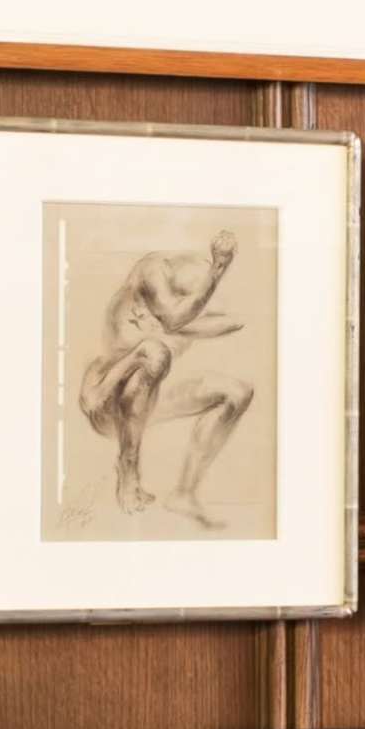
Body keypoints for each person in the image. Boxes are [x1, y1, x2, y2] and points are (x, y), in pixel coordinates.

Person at [75, 227, 257, 530]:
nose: (197, 302)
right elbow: (175, 318)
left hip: (149, 400)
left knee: (238, 393)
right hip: (109, 406)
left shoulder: (178, 313)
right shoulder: (151, 276)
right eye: (193, 297)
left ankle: (184, 493)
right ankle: (128, 472)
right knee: (154, 353)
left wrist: (236, 297)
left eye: (198, 298)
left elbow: (221, 323)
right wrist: (217, 270)